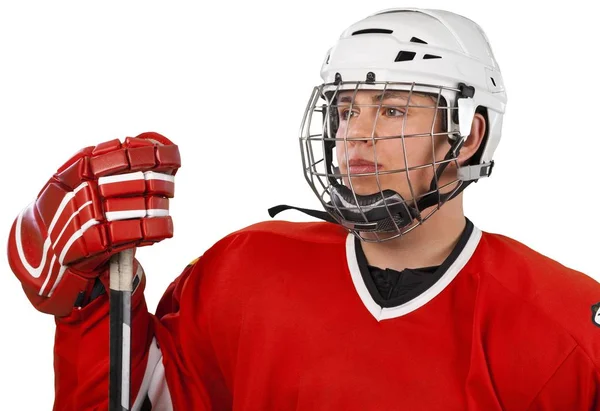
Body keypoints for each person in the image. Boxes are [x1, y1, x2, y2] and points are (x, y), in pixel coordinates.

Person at [7, 7, 600, 411]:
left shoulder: (564, 325)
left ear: (467, 135)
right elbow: (149, 400)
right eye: (346, 109)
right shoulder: (245, 269)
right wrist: (95, 301)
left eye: (393, 110)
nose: (356, 135)